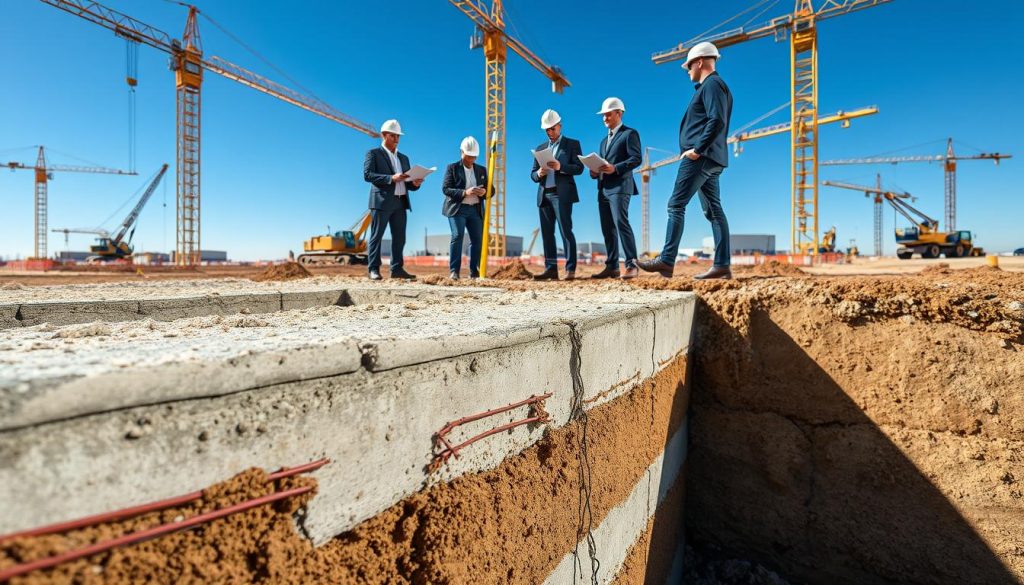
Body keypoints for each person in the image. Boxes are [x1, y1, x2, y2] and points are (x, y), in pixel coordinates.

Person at [639, 42, 733, 280]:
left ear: (699, 62)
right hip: (712, 158)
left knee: (675, 205)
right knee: (714, 210)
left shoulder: (711, 84)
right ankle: (721, 265)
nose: (687, 71)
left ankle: (667, 260)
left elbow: (716, 120)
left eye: (688, 66)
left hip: (701, 157)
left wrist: (697, 150)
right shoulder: (715, 86)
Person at [363, 119, 423, 280]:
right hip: (381, 202)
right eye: (393, 135)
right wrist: (391, 178)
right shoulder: (373, 154)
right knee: (377, 236)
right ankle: (373, 269)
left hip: (400, 202)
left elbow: (407, 183)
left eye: (398, 136)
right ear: (383, 135)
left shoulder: (404, 158)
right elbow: (368, 175)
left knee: (400, 238)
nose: (396, 139)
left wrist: (415, 184)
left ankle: (397, 269)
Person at [591, 97, 642, 279]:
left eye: (608, 114)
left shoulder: (630, 134)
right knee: (608, 228)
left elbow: (636, 159)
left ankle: (632, 265)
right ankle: (612, 266)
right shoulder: (603, 142)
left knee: (621, 223)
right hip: (603, 187)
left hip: (620, 186)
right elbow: (603, 164)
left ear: (619, 114)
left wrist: (616, 168)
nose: (605, 118)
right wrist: (595, 172)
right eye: (603, 115)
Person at [530, 109, 583, 280]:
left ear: (560, 125)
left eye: (552, 128)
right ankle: (551, 269)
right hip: (544, 195)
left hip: (562, 195)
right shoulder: (540, 149)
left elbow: (579, 168)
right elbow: (532, 175)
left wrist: (561, 167)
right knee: (547, 234)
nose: (550, 132)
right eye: (547, 130)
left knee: (566, 231)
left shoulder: (572, 144)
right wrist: (539, 173)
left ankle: (570, 269)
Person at [441, 136, 488, 279]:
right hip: (457, 209)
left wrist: (485, 191)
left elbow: (490, 189)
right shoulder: (452, 168)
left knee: (477, 240)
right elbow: (446, 189)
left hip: (475, 210)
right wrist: (464, 192)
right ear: (461, 152)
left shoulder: (482, 170)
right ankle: (454, 271)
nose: (471, 160)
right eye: (468, 156)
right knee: (457, 236)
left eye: (473, 157)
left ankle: (474, 271)